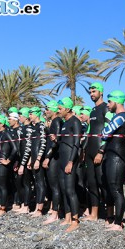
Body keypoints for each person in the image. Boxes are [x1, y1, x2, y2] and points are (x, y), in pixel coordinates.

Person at [101, 90, 125, 231]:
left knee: (116, 189)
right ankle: (116, 221)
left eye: (110, 101)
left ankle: (118, 223)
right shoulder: (121, 117)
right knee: (113, 188)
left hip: (117, 156)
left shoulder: (120, 117)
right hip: (116, 155)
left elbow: (105, 134)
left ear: (117, 102)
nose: (108, 104)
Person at [83, 82, 112, 222]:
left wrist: (101, 150)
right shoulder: (93, 111)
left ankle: (110, 213)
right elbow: (89, 132)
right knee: (92, 183)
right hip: (89, 150)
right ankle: (94, 214)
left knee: (103, 182)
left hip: (100, 150)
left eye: (94, 91)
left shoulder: (106, 108)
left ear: (101, 92)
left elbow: (108, 130)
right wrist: (84, 149)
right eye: (90, 92)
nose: (91, 94)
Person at [54, 97, 82, 233]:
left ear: (67, 108)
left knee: (70, 190)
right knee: (64, 189)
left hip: (70, 159)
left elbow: (76, 143)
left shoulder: (75, 122)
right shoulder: (65, 123)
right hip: (62, 159)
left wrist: (71, 161)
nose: (58, 111)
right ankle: (67, 216)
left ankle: (75, 221)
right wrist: (57, 140)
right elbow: (65, 142)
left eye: (60, 109)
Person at [0, 115, 17, 216]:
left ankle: (3, 208)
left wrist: (8, 160)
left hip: (3, 163)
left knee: (2, 185)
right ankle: (1, 203)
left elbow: (15, 148)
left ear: (1, 123)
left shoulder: (7, 133)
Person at [42, 100, 64, 225]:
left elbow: (55, 142)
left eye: (47, 108)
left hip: (54, 158)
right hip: (54, 156)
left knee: (55, 186)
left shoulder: (56, 121)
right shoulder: (55, 122)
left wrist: (47, 157)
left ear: (55, 109)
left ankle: (55, 213)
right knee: (54, 186)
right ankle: (55, 209)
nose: (45, 111)